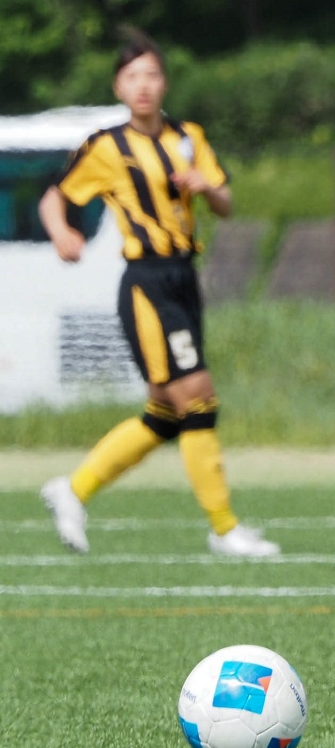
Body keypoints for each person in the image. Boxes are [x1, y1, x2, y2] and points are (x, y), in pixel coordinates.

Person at [37, 34, 278, 558]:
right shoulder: (107, 146)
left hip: (183, 278)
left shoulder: (188, 137)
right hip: (147, 284)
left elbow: (226, 202)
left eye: (151, 75)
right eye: (132, 77)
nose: (143, 86)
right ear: (118, 88)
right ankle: (224, 528)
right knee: (198, 398)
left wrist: (206, 187)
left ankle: (73, 490)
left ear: (164, 83)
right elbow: (54, 197)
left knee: (166, 415)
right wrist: (61, 232)